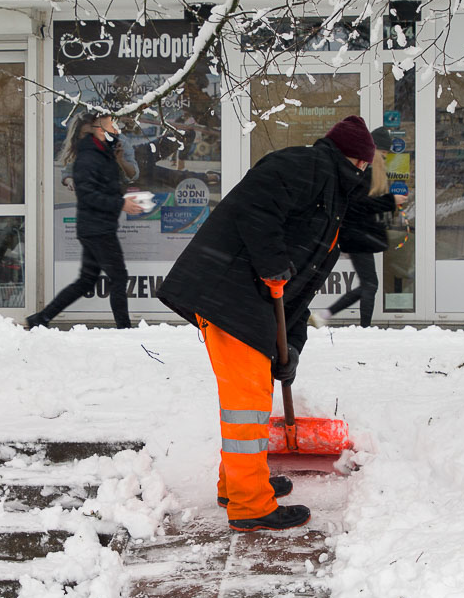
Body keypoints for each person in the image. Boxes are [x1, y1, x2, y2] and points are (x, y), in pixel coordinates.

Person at [155, 115, 374, 532]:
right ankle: (250, 505)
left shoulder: (332, 207)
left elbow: (300, 292)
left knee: (251, 401)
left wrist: (288, 348)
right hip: (229, 294)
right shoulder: (306, 166)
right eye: (366, 164)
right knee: (246, 404)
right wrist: (273, 264)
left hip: (244, 300)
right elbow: (255, 204)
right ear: (358, 162)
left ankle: (236, 484)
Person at [25, 109, 144, 330]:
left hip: (97, 226)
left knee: (86, 281)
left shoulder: (103, 153)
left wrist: (122, 189)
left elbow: (108, 185)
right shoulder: (88, 157)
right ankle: (125, 329)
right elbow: (88, 195)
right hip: (97, 228)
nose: (113, 128)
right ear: (97, 130)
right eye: (108, 125)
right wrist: (121, 204)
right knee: (118, 276)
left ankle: (40, 318)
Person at [322, 122, 409, 327]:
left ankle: (330, 315)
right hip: (357, 234)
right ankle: (356, 325)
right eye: (384, 154)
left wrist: (389, 203)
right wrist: (391, 201)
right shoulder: (365, 172)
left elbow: (365, 204)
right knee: (370, 284)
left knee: (369, 284)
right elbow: (360, 204)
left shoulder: (367, 172)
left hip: (359, 234)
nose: (386, 159)